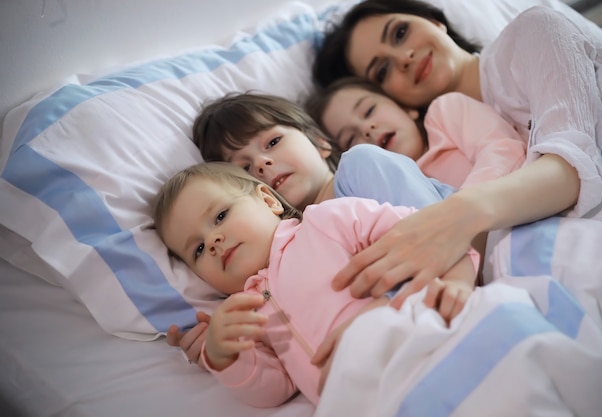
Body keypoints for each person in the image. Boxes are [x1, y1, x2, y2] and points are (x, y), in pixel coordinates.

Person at [311, 0, 602, 301]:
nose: (403, 57)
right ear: (389, 98)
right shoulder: (426, 167)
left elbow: (570, 169)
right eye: (382, 71)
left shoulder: (532, 31)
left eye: (400, 32)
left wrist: (455, 220)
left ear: (436, 21)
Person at [169, 91, 460, 366]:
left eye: (272, 143)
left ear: (320, 142)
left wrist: (378, 316)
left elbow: (436, 235)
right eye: (243, 168)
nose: (261, 163)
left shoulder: (359, 165)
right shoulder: (285, 259)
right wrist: (224, 354)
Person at [153, 161, 480, 407]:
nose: (213, 241)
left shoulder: (328, 222)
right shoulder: (246, 314)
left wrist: (456, 282)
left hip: (422, 341)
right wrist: (226, 356)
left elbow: (428, 233)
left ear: (269, 201)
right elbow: (275, 389)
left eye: (221, 216)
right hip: (363, 403)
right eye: (197, 249)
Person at [305, 76, 526, 189]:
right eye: (351, 138)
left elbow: (504, 150)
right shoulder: (388, 195)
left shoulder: (445, 113)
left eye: (369, 110)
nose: (366, 129)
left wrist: (461, 209)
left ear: (405, 106)